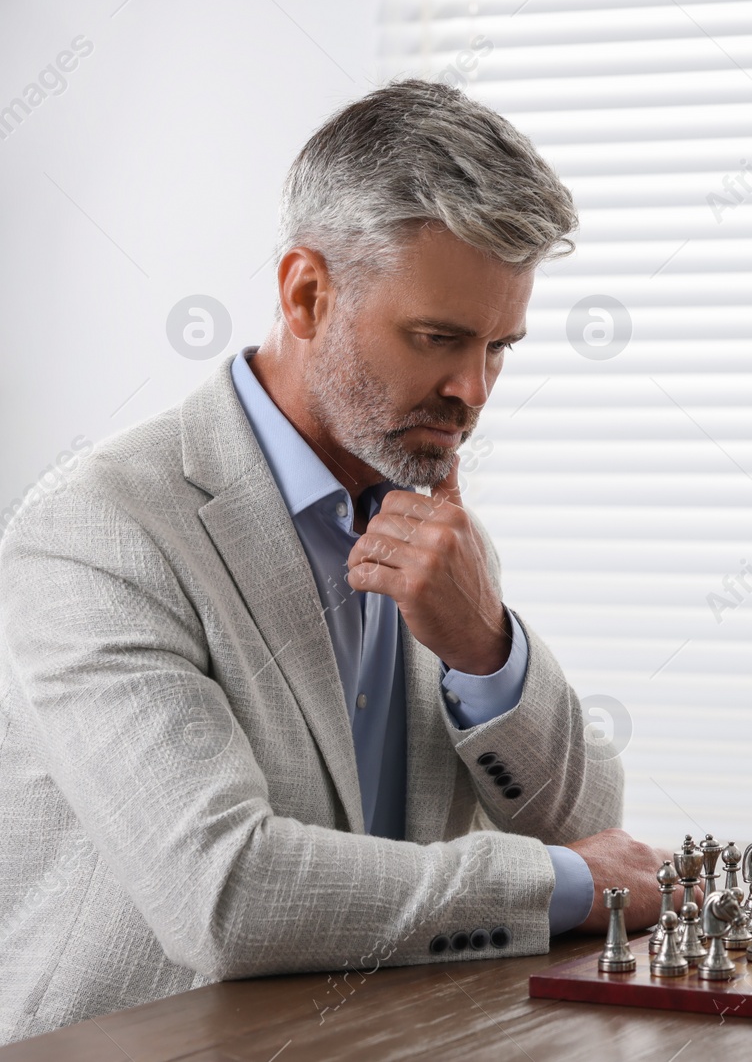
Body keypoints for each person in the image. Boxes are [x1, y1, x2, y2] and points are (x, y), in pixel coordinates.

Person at [0, 80, 668, 1044]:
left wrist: (486, 647)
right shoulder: (99, 533)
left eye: (500, 348)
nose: (472, 391)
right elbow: (224, 894)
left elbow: (585, 818)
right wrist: (565, 888)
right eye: (438, 339)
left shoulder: (429, 510)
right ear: (307, 293)